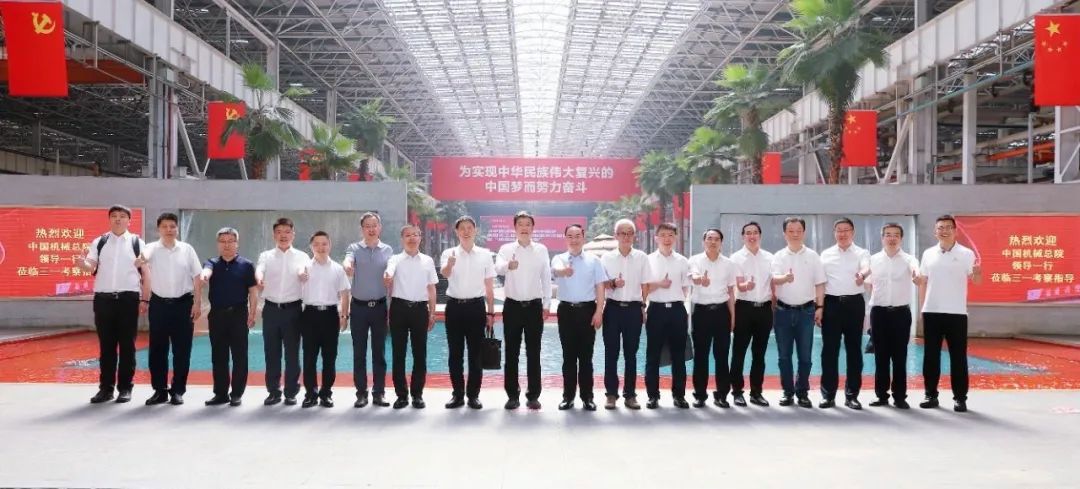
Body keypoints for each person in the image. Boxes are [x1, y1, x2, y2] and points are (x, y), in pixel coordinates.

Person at [79, 205, 147, 404]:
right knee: (106, 346)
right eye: (114, 216)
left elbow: (145, 272)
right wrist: (82, 264)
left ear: (129, 221)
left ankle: (125, 388)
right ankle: (106, 389)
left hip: (128, 299)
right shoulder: (99, 242)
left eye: (122, 216)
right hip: (103, 299)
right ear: (109, 219)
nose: (118, 219)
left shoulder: (137, 243)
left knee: (127, 346)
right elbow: (90, 266)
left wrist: (145, 299)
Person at [139, 212, 203, 406]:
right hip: (159, 305)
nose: (169, 230)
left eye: (172, 226)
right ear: (159, 229)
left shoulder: (187, 249)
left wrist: (197, 303)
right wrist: (141, 259)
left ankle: (178, 391)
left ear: (177, 229)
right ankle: (159, 391)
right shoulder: (152, 248)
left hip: (183, 305)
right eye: (165, 226)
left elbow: (197, 277)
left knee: (182, 350)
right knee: (157, 350)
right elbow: (143, 257)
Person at [919, 215, 981, 413]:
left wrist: (978, 273)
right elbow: (923, 281)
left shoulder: (967, 254)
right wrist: (922, 308)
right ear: (935, 231)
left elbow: (976, 281)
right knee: (930, 356)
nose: (944, 230)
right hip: (931, 311)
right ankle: (930, 395)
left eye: (948, 227)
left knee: (958, 357)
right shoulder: (928, 254)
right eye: (940, 227)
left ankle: (960, 398)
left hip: (957, 313)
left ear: (955, 231)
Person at [495, 211, 552, 410]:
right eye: (520, 224)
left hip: (534, 307)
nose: (524, 227)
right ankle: (512, 396)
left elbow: (546, 277)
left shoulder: (541, 249)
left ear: (532, 227)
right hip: (512, 306)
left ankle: (533, 396)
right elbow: (498, 268)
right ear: (515, 227)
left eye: (528, 224)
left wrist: (547, 304)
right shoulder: (506, 248)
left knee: (534, 353)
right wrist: (508, 265)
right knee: (511, 353)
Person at [440, 216, 496, 410]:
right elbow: (445, 274)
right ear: (457, 232)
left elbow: (489, 286)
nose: (466, 231)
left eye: (469, 228)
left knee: (475, 354)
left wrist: (491, 313)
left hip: (476, 307)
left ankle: (473, 395)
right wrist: (450, 264)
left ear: (475, 230)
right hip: (454, 307)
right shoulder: (449, 252)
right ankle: (457, 395)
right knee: (455, 353)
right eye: (462, 228)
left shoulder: (485, 255)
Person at [551, 224, 607, 411]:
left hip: (587, 310)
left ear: (583, 237)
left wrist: (599, 311)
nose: (574, 239)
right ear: (565, 238)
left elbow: (600, 287)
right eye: (570, 236)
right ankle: (568, 397)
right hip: (566, 311)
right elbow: (556, 270)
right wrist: (564, 272)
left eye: (577, 236)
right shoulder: (559, 258)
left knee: (586, 357)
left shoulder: (594, 260)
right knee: (568, 357)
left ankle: (587, 397)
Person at [771, 217, 825, 408]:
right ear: (784, 233)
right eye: (791, 231)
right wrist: (784, 278)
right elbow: (774, 278)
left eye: (798, 231)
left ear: (804, 232)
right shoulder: (778, 256)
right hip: (783, 312)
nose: (795, 234)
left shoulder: (813, 256)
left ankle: (802, 392)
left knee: (805, 356)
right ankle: (788, 392)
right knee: (784, 356)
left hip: (806, 312)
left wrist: (820, 307)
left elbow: (820, 283)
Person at [867, 223, 923, 409]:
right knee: (880, 356)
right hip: (879, 313)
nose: (892, 238)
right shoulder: (873, 260)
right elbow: (868, 283)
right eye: (888, 234)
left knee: (900, 356)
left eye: (896, 235)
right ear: (882, 237)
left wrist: (917, 276)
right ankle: (881, 395)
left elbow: (916, 273)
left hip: (901, 313)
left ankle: (899, 396)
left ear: (901, 238)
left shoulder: (909, 259)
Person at [818, 217, 872, 410]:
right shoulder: (825, 254)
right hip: (831, 304)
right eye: (839, 230)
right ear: (834, 233)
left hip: (854, 304)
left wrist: (862, 275)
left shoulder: (862, 253)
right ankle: (828, 395)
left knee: (854, 350)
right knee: (829, 351)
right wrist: (819, 307)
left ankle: (852, 395)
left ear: (853, 232)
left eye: (846, 230)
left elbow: (867, 267)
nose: (842, 233)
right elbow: (820, 282)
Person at [201, 227, 258, 407]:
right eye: (222, 242)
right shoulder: (211, 263)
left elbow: (253, 291)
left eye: (230, 241)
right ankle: (220, 394)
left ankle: (237, 393)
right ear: (218, 244)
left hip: (239, 315)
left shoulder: (246, 265)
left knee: (240, 355)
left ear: (237, 244)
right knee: (219, 356)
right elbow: (206, 271)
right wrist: (204, 276)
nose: (226, 245)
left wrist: (252, 312)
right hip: (217, 315)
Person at [385, 225, 439, 409]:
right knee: (398, 354)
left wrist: (432, 312)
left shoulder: (428, 261)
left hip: (420, 310)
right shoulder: (395, 259)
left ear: (420, 238)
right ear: (402, 239)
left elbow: (431, 288)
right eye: (408, 235)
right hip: (399, 309)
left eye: (416, 235)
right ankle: (401, 395)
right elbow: (389, 271)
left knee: (420, 354)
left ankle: (417, 395)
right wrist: (388, 276)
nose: (412, 238)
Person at [256, 217, 309, 406]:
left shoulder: (302, 256)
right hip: (271, 310)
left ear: (293, 234)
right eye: (279, 232)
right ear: (274, 235)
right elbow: (259, 269)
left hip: (293, 310)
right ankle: (273, 391)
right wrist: (259, 277)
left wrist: (302, 274)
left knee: (292, 353)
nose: (283, 235)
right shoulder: (266, 256)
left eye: (287, 232)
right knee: (271, 353)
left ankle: (291, 392)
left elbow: (303, 270)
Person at [343, 212, 393, 408]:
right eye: (367, 226)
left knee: (379, 352)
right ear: (362, 229)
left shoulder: (388, 250)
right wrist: (348, 266)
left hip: (379, 307)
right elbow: (347, 260)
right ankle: (361, 394)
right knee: (359, 353)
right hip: (359, 308)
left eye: (374, 225)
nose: (371, 229)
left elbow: (391, 269)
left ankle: (379, 393)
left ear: (380, 227)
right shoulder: (354, 248)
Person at [599, 219, 651, 410]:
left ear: (634, 236)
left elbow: (645, 284)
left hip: (633, 310)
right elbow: (601, 284)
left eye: (630, 233)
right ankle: (611, 395)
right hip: (612, 309)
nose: (626, 236)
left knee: (631, 354)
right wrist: (613, 283)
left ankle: (630, 395)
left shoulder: (641, 257)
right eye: (623, 233)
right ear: (616, 235)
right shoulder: (606, 258)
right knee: (611, 354)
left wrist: (643, 306)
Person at [299, 231, 351, 408]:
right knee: (309, 358)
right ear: (311, 246)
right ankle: (310, 394)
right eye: (316, 244)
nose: (320, 247)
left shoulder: (337, 269)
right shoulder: (303, 268)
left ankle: (326, 394)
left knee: (329, 358)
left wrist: (344, 316)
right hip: (309, 315)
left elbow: (345, 294)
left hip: (330, 315)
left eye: (324, 244)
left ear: (330, 245)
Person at [643, 223, 691, 409]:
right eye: (663, 235)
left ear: (675, 237)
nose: (667, 238)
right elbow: (644, 288)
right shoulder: (648, 260)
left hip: (677, 310)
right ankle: (653, 396)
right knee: (652, 355)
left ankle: (679, 396)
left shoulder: (682, 261)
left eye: (670, 235)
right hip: (656, 310)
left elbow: (685, 288)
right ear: (656, 238)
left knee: (679, 356)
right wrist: (659, 284)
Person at [688, 229, 737, 408]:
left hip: (722, 312)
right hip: (701, 312)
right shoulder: (695, 260)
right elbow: (693, 276)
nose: (713, 242)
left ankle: (722, 395)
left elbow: (731, 291)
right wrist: (700, 279)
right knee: (701, 355)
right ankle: (700, 395)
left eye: (716, 239)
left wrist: (733, 316)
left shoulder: (729, 264)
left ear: (721, 242)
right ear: (704, 241)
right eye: (709, 238)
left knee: (722, 356)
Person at [729, 222, 775, 407]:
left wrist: (774, 308)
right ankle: (737, 392)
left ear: (760, 235)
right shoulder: (735, 258)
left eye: (755, 232)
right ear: (743, 236)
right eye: (748, 233)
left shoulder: (770, 258)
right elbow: (737, 286)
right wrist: (745, 286)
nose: (752, 236)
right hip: (744, 309)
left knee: (759, 354)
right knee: (739, 352)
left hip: (764, 309)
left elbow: (773, 284)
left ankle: (756, 392)